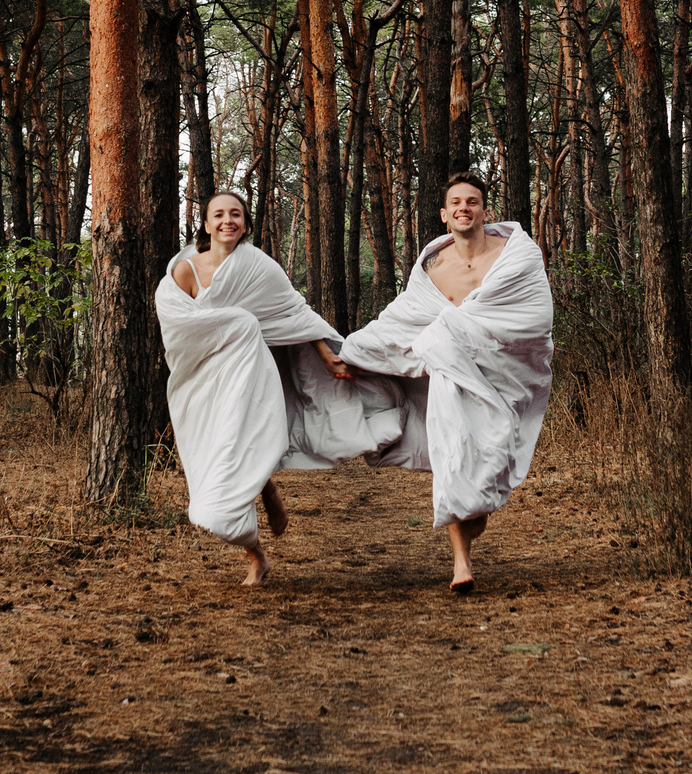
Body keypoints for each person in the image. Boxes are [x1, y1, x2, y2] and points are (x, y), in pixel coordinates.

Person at [154, 192, 398, 585]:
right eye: (219, 214)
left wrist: (325, 353)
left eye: (236, 214)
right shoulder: (185, 271)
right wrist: (234, 322)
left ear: (246, 224)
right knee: (212, 459)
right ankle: (261, 519)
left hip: (248, 372)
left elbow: (292, 311)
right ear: (205, 224)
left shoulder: (258, 267)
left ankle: (255, 544)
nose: (227, 221)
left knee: (235, 447)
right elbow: (177, 328)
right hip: (202, 380)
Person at [339, 173, 555, 594]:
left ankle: (472, 517)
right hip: (448, 379)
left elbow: (534, 318)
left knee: (487, 468)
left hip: (500, 379)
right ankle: (461, 563)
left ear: (484, 210)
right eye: (455, 202)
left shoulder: (517, 257)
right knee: (452, 454)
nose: (463, 208)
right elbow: (400, 321)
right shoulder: (433, 268)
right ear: (443, 214)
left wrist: (463, 333)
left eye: (472, 201)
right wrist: (351, 352)